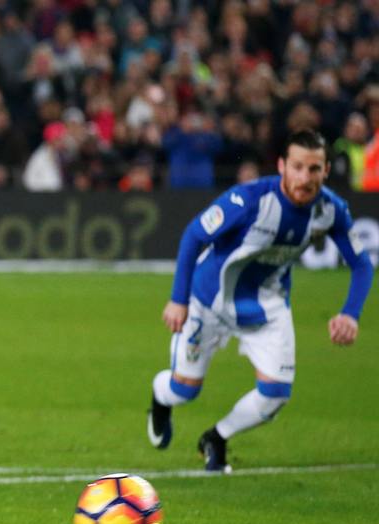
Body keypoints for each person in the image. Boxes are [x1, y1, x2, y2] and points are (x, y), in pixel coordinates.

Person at [146, 130, 374, 472]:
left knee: (276, 394)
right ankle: (161, 398)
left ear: (326, 171)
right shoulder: (250, 200)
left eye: (314, 169)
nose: (304, 177)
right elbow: (194, 235)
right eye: (297, 167)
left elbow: (361, 263)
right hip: (209, 301)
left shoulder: (330, 210)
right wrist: (178, 299)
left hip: (267, 307)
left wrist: (350, 314)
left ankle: (217, 438)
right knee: (184, 390)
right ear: (282, 165)